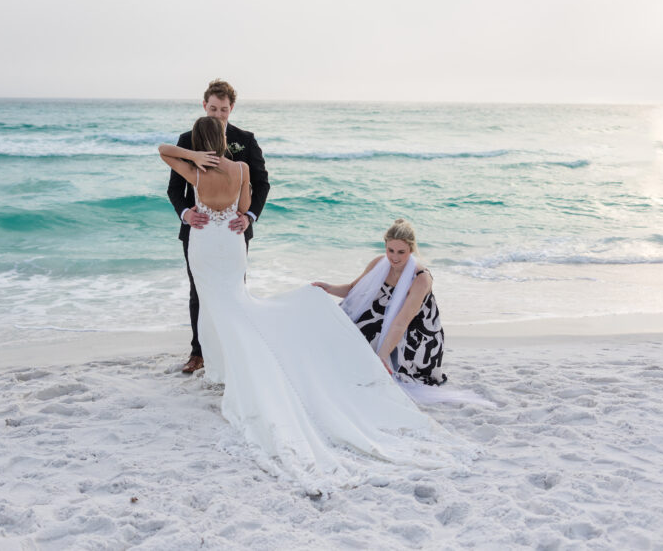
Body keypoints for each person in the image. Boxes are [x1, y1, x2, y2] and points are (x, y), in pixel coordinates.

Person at [158, 124, 474, 491]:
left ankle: (233, 369)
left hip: (203, 243)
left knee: (217, 307)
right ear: (225, 141)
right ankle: (231, 366)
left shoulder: (194, 170)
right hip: (231, 245)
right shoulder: (241, 170)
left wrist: (194, 158)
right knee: (235, 305)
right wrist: (233, 205)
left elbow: (164, 151)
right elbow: (243, 209)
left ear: (198, 144)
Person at [166, 79, 270, 375]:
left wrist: (249, 216)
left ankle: (235, 349)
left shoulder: (245, 139)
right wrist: (185, 213)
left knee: (234, 290)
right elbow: (174, 188)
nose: (218, 114)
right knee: (198, 290)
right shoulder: (188, 139)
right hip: (198, 229)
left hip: (234, 229)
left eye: (223, 109)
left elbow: (261, 183)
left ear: (231, 108)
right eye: (213, 108)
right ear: (204, 106)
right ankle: (198, 353)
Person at [313, 219, 447, 390]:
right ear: (385, 246)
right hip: (386, 316)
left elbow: (401, 322)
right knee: (348, 335)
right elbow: (353, 289)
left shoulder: (421, 278)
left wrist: (382, 357)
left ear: (411, 250)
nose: (394, 257)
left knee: (391, 365)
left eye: (401, 252)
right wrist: (327, 288)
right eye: (390, 250)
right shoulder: (379, 263)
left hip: (417, 330)